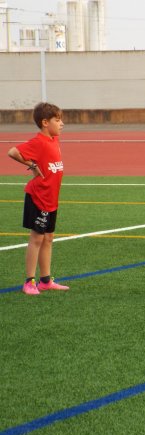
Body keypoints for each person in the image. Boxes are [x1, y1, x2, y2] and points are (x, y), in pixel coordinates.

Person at [7, 102, 70, 295]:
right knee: (37, 238)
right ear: (45, 122)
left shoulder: (53, 140)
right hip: (38, 198)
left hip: (51, 199)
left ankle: (45, 280)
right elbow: (13, 152)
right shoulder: (39, 142)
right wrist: (32, 166)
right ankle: (29, 281)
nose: (62, 124)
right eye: (57, 120)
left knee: (49, 238)